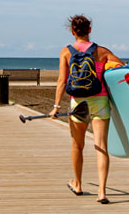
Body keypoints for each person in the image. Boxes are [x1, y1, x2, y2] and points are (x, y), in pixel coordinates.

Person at [49, 15, 123, 204]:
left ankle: (78, 184)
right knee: (101, 147)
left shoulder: (66, 52)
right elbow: (122, 68)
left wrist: (56, 107)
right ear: (89, 30)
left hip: (77, 104)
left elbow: (62, 81)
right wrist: (105, 67)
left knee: (77, 145)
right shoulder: (101, 51)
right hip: (99, 101)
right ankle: (102, 192)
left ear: (73, 32)